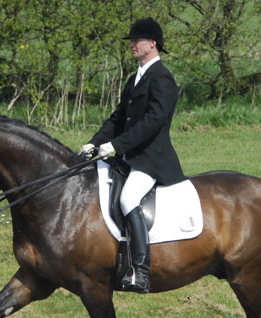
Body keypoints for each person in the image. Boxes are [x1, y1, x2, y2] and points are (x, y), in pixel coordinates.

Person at [80, 17, 186, 293]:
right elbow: (117, 118)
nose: (132, 46)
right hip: (129, 156)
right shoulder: (135, 78)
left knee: (128, 199)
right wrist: (94, 144)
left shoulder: (162, 79)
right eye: (131, 41)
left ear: (152, 43)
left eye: (136, 41)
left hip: (152, 159)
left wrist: (116, 146)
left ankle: (141, 271)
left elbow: (152, 123)